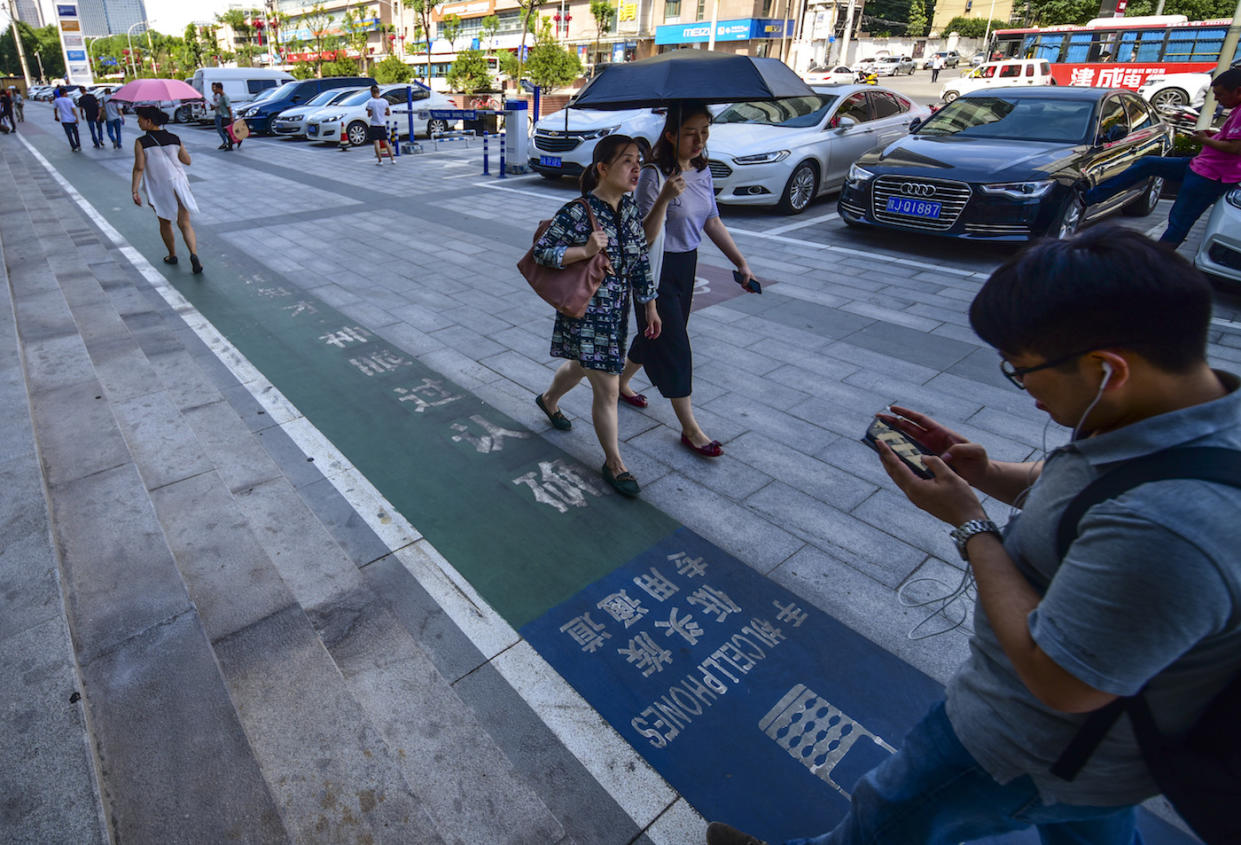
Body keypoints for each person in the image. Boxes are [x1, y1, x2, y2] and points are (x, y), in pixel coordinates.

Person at [705, 227, 1241, 845]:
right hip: (1103, 755)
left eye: (1023, 369)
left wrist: (970, 524)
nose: (1024, 384)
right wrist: (987, 474)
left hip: (1030, 743)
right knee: (1091, 824)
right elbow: (1092, 494)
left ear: (1107, 370)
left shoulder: (1168, 527)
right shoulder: (1180, 416)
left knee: (889, 809)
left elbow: (1061, 680)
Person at [617, 102, 756, 458]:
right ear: (671, 134)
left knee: (658, 334)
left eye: (705, 132)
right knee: (676, 345)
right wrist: (664, 198)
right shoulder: (652, 174)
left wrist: (740, 262)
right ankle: (690, 429)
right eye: (691, 132)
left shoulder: (701, 170)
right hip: (655, 269)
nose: (699, 140)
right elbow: (643, 237)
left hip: (686, 265)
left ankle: (620, 382)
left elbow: (711, 220)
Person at [532, 134, 662, 497]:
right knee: (607, 385)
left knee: (581, 366)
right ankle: (614, 463)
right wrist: (584, 250)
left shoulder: (630, 208)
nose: (636, 168)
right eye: (627, 161)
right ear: (603, 169)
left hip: (616, 312)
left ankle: (548, 400)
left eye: (638, 161)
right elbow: (542, 252)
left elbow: (639, 260)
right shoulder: (578, 211)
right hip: (586, 311)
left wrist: (649, 305)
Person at [1084, 67, 1241, 247]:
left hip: (1210, 177)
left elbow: (1236, 148)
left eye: (1220, 94)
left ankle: (1156, 261)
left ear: (1238, 91)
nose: (1216, 99)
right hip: (1200, 166)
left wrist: (1205, 140)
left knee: (1179, 222)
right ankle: (1091, 197)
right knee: (1148, 163)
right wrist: (1213, 136)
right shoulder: (1236, 110)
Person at [130, 106, 203, 274]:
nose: (138, 122)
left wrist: (134, 190)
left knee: (165, 221)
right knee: (185, 223)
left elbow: (139, 168)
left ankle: (172, 255)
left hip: (159, 186)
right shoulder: (174, 138)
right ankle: (193, 254)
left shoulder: (141, 142)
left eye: (140, 119)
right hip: (179, 183)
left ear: (149, 121)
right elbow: (187, 160)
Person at [365, 85, 394, 165]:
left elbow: (369, 114)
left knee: (376, 143)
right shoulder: (384, 101)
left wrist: (374, 112)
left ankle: (380, 160)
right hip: (382, 124)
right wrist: (382, 113)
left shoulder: (371, 102)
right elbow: (388, 113)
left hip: (374, 124)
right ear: (378, 92)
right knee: (386, 143)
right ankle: (392, 159)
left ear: (372, 92)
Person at [211, 82, 233, 151]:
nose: (215, 90)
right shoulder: (220, 97)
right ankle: (229, 144)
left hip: (226, 116)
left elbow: (228, 107)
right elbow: (219, 105)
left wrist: (231, 116)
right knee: (225, 131)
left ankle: (230, 146)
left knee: (227, 131)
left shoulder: (225, 97)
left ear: (219, 88)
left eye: (216, 88)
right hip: (223, 116)